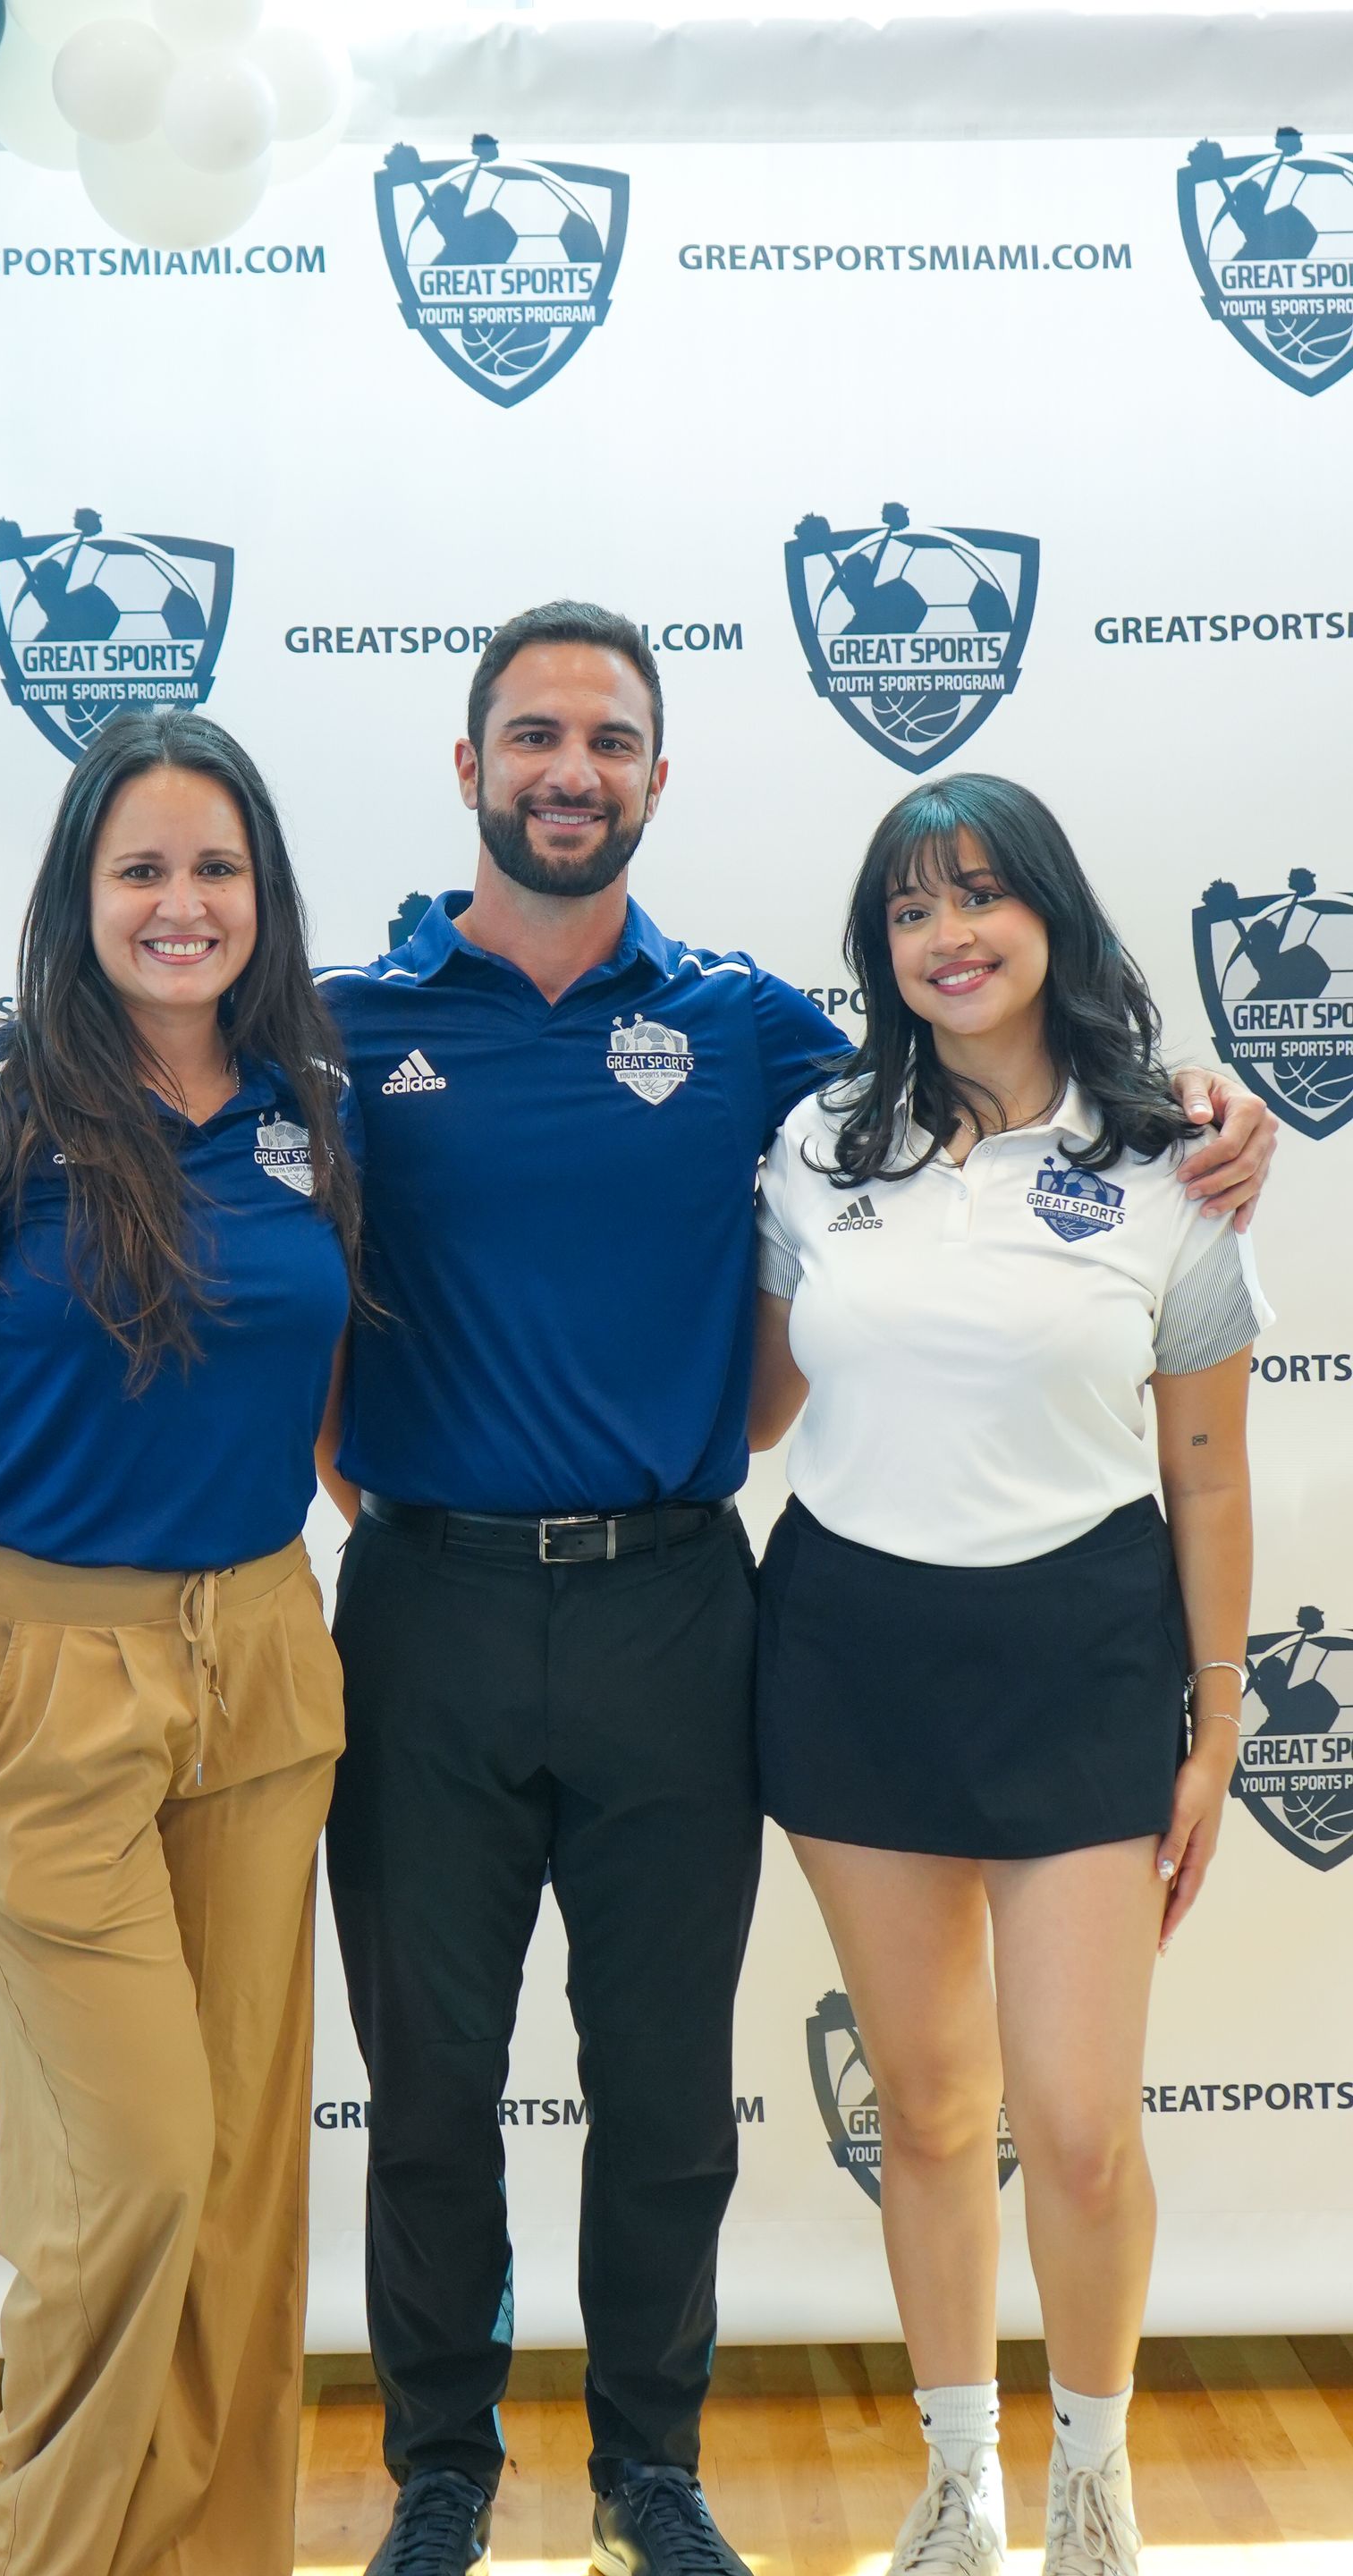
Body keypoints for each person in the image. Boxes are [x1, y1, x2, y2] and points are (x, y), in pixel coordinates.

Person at [0, 609, 1279, 2576]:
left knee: (670, 2090)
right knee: (427, 2084)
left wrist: (1203, 1103)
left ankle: (650, 2477)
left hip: (679, 1612)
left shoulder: (764, 1029)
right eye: (532, 736)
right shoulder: (326, 1020)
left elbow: (981, 1062)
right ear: (468, 771)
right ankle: (441, 2470)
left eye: (610, 739)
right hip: (416, 1612)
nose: (569, 769)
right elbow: (120, 1053)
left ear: (658, 781)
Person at [0, 708, 357, 2576]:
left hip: (265, 1660)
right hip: (39, 1677)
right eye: (144, 870)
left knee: (239, 2185)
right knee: (130, 2171)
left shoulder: (314, 1105)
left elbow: (333, 1406)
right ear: (80, 894)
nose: (184, 903)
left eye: (218, 868)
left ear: (264, 897)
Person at [748, 774, 1269, 2576]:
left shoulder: (1175, 1157)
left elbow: (1205, 1470)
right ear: (881, 949)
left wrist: (1221, 1714)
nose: (947, 935)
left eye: (979, 896)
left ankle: (1092, 2481)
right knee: (931, 2107)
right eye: (910, 909)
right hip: (849, 1656)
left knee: (1075, 2124)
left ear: (1047, 915)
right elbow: (747, 1400)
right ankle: (961, 2483)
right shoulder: (817, 1142)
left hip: (1084, 1660)